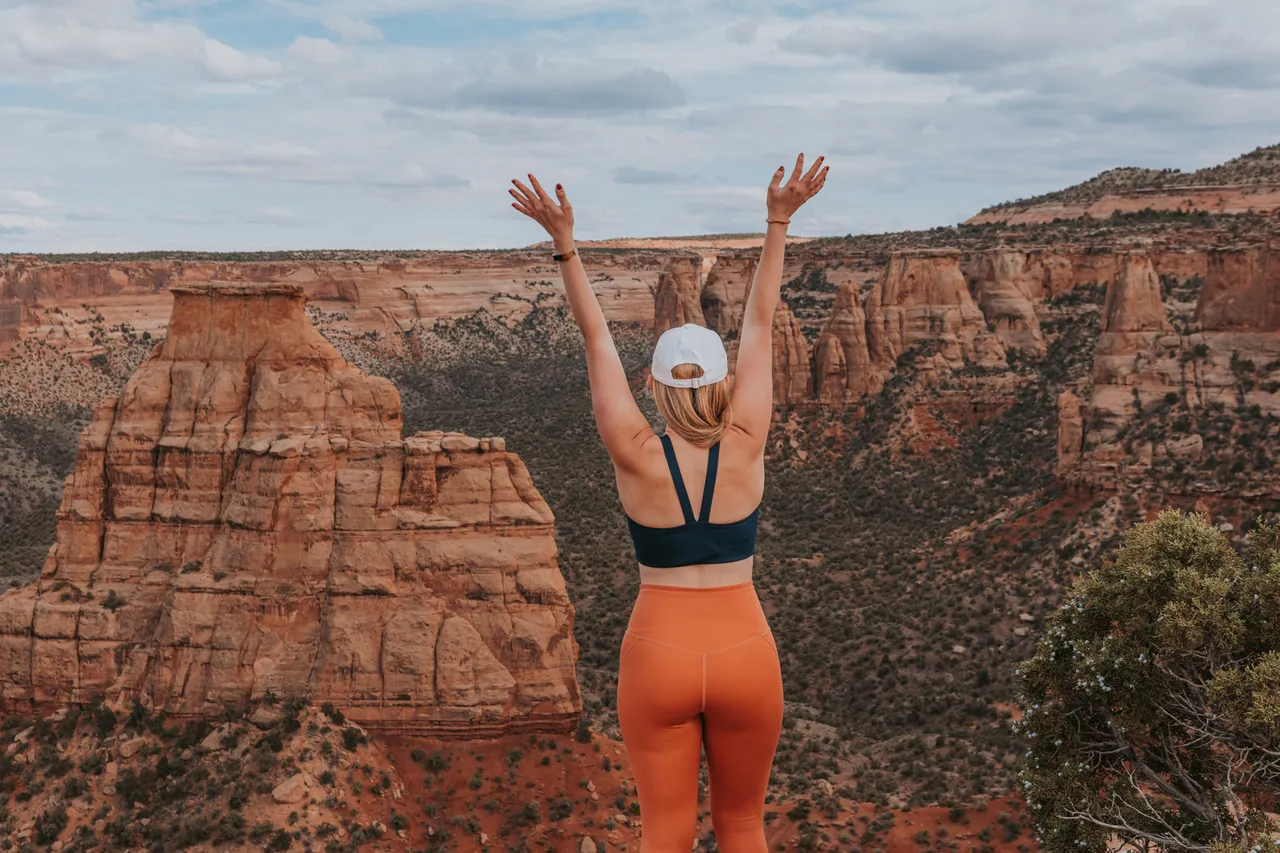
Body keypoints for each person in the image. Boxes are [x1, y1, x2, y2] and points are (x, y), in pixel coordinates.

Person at [509, 153, 829, 853]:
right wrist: (777, 223)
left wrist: (565, 243)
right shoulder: (746, 438)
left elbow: (595, 336)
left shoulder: (635, 449)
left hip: (658, 652)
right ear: (720, 383)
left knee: (665, 830)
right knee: (743, 823)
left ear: (653, 387)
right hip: (745, 648)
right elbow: (761, 323)